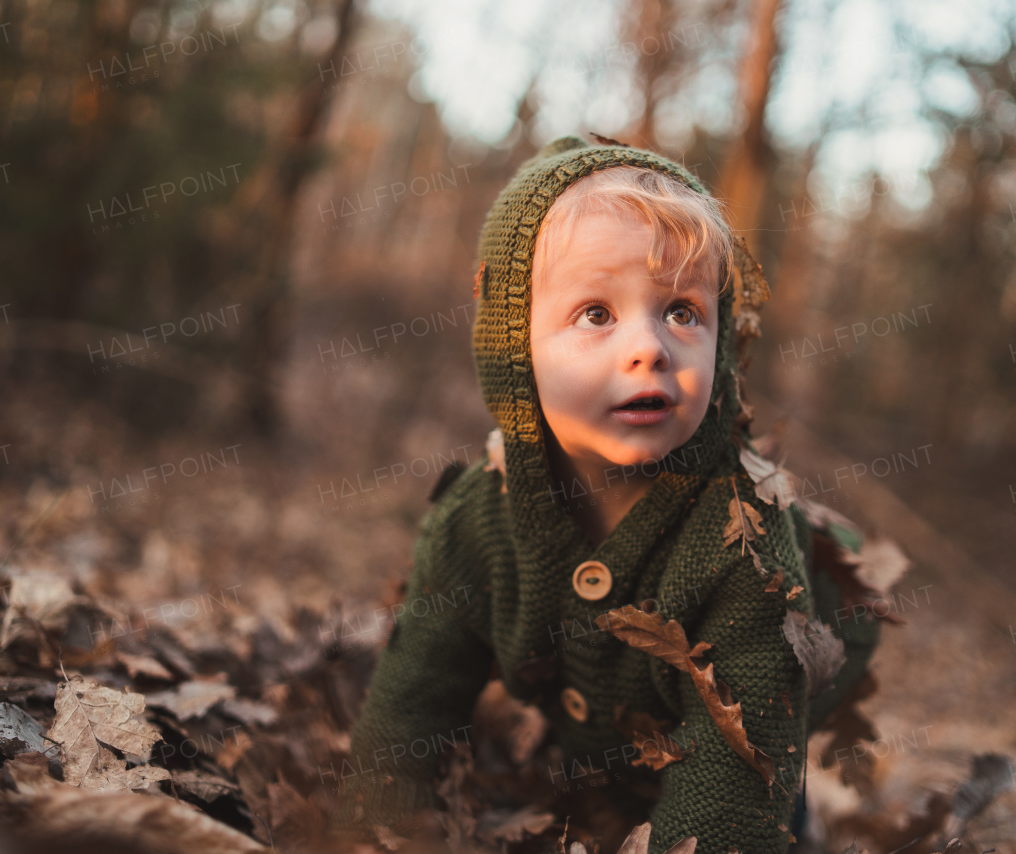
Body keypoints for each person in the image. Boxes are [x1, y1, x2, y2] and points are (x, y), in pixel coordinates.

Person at [328, 135, 882, 854]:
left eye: (682, 311)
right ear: (514, 344)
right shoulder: (476, 522)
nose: (650, 346)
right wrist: (366, 835)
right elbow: (409, 707)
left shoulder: (743, 538)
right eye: (596, 314)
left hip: (753, 754)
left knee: (758, 803)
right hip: (594, 753)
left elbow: (738, 766)